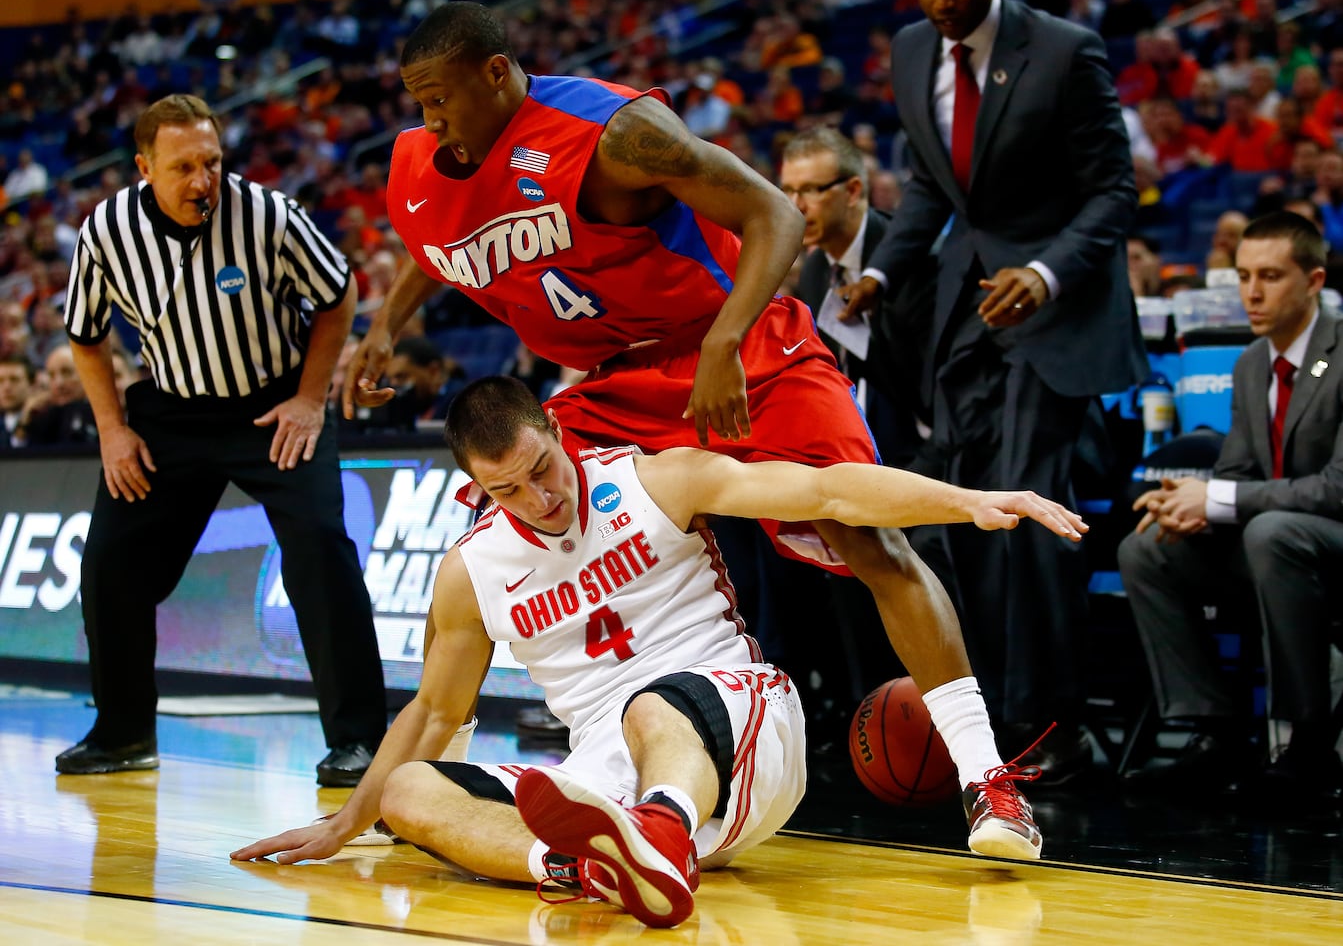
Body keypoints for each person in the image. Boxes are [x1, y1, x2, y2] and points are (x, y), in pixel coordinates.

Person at [344, 0, 1048, 845]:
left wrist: (721, 341)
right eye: (418, 104)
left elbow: (777, 217)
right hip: (615, 377)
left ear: (496, 74)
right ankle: (442, 770)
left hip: (740, 340)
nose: (431, 121)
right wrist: (384, 328)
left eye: (440, 100)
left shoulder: (613, 130)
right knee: (492, 526)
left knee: (862, 535)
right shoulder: (426, 161)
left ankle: (987, 779)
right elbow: (438, 244)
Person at [234, 376, 1090, 927]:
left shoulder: (655, 480)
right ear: (474, 488)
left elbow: (825, 487)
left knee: (652, 702)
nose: (538, 499)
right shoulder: (471, 571)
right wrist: (347, 822)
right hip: (606, 773)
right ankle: (585, 863)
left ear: (558, 433)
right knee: (411, 791)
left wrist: (966, 499)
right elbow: (433, 711)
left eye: (543, 469)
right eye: (507, 489)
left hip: (737, 716)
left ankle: (657, 836)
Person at [854, 0, 1147, 782]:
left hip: (1055, 316)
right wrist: (882, 272)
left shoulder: (1064, 49)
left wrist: (1046, 271)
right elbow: (925, 185)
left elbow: (1112, 192)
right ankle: (984, 722)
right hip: (965, 315)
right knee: (968, 514)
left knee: (1027, 513)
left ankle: (1051, 723)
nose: (941, 1)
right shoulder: (912, 51)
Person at [56, 94, 387, 785]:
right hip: (170, 413)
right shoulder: (106, 232)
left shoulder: (267, 214)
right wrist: (113, 431)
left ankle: (360, 744)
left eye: (211, 161)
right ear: (145, 168)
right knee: (110, 568)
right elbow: (85, 339)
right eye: (183, 167)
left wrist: (308, 397)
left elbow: (337, 296)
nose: (202, 180)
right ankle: (121, 735)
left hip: (272, 404)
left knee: (322, 553)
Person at [1118, 211, 1343, 800]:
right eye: (1243, 276)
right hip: (1273, 547)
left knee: (1271, 531)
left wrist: (1218, 498)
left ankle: (1310, 742)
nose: (1252, 291)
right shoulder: (1250, 365)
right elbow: (1238, 475)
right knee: (1147, 548)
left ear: (1314, 281)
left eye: (1270, 275)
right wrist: (1188, 507)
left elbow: (1337, 489)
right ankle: (1212, 732)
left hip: (1325, 547)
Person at [781, 126, 932, 470]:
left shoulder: (911, 259)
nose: (795, 206)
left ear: (852, 191)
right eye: (787, 190)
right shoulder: (815, 270)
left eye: (809, 190)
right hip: (872, 448)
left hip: (938, 441)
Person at [0, 354, 33, 449]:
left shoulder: (44, 421)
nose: (6, 388)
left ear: (31, 384)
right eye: (0, 381)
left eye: (14, 379)